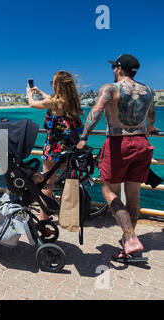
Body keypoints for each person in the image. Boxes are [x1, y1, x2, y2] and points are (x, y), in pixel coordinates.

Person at [77, 54, 156, 263]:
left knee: (107, 190)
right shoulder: (148, 90)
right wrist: (148, 131)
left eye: (114, 68)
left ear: (119, 69)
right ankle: (128, 243)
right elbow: (151, 118)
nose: (112, 71)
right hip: (142, 143)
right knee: (134, 196)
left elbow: (95, 113)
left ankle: (130, 238)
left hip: (118, 143)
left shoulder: (110, 89)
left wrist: (83, 138)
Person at [26, 71, 84, 221]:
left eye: (53, 83)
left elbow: (32, 104)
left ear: (58, 85)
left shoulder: (54, 102)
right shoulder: (73, 102)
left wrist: (29, 93)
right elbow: (54, 100)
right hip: (70, 149)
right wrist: (40, 92)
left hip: (54, 149)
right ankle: (69, 216)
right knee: (68, 182)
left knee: (47, 184)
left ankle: (44, 217)